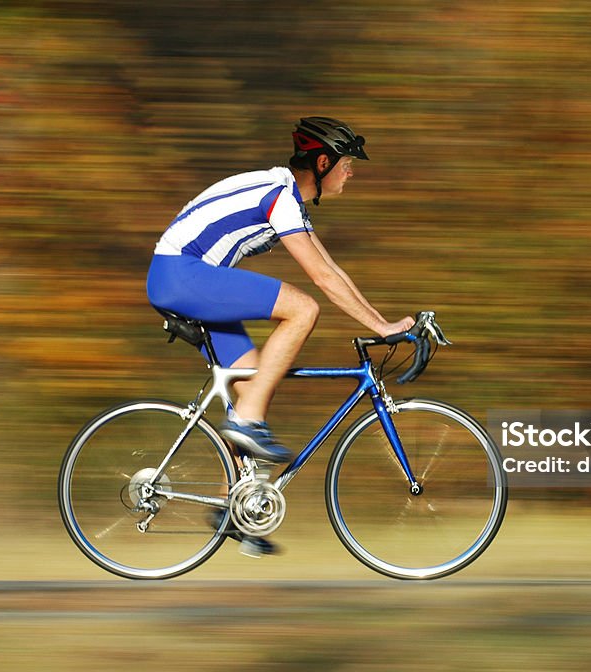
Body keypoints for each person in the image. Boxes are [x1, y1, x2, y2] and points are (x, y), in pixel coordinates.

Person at [146, 117, 414, 554]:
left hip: (185, 276)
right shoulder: (281, 197)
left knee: (253, 380)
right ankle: (245, 421)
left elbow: (335, 273)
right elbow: (323, 282)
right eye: (348, 164)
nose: (353, 172)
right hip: (181, 274)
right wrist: (382, 327)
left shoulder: (289, 200)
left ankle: (229, 508)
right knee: (303, 308)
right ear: (323, 162)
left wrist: (382, 323)